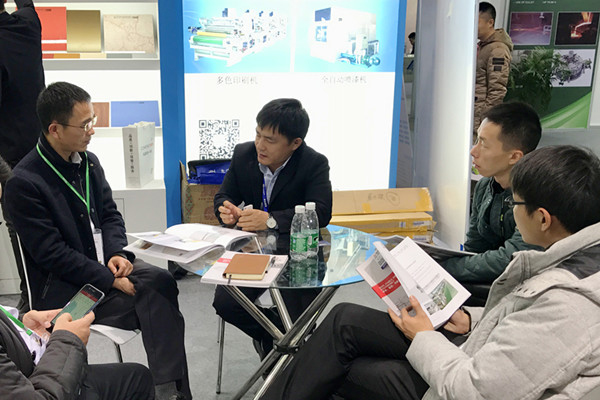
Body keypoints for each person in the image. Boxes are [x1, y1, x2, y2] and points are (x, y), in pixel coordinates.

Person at [261, 145, 600, 400]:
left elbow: (474, 390)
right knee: (343, 320)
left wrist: (424, 335)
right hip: (475, 344)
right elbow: (521, 323)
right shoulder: (577, 260)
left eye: (517, 204)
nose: (512, 210)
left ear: (542, 218)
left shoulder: (568, 306)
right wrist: (473, 319)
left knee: (334, 364)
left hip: (464, 377)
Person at [4, 82, 191, 400]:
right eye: (84, 124)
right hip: (66, 292)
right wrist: (107, 279)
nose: (92, 130)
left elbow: (110, 216)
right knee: (155, 303)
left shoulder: (88, 162)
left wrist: (118, 253)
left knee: (160, 282)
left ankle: (170, 391)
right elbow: (52, 254)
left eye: (92, 120)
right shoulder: (25, 183)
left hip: (105, 269)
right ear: (55, 129)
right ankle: (168, 391)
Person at [213, 98, 332, 357]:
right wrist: (226, 210)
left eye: (270, 140)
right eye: (258, 134)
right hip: (253, 251)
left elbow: (322, 212)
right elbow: (223, 195)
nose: (260, 144)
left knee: (299, 318)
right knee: (227, 303)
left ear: (295, 143)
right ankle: (273, 338)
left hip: (298, 253)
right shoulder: (244, 154)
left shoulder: (313, 163)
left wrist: (270, 219)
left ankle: (282, 345)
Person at [441, 102, 542, 294]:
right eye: (477, 140)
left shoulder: (537, 194)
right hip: (497, 284)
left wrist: (446, 267)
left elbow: (512, 257)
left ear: (515, 156)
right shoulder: (485, 186)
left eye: (484, 144)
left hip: (532, 288)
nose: (473, 151)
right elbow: (475, 247)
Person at [0, 0, 46, 314]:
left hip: (11, 161)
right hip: (41, 150)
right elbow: (26, 3)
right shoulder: (29, 25)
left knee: (20, 230)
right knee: (45, 225)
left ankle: (32, 302)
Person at [474, 2, 513, 139]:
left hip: (480, 118)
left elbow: (497, 90)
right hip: (474, 113)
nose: (473, 26)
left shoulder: (497, 50)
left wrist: (486, 118)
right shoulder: (483, 46)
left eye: (477, 22)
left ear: (490, 22)